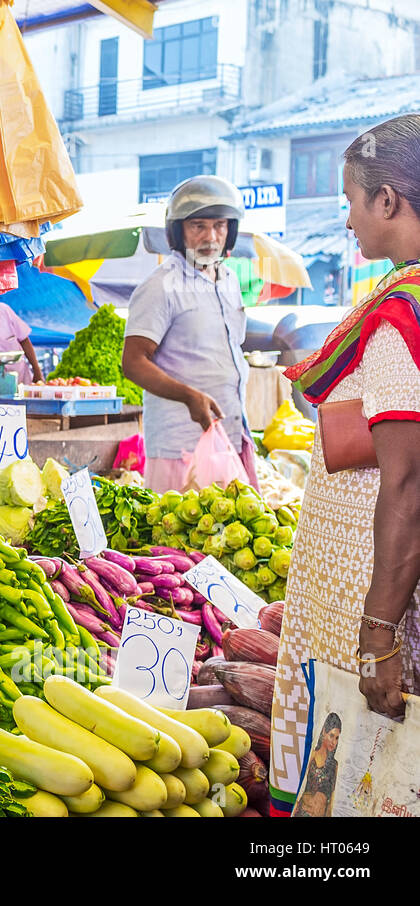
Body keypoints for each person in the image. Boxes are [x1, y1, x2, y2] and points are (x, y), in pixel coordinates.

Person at [270, 114, 420, 816]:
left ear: (387, 200)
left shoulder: (401, 314)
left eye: (353, 200)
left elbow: (408, 480)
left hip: (370, 597)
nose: (349, 219)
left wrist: (377, 640)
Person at [122, 175, 260, 493]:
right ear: (179, 230)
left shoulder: (228, 281)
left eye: (220, 225)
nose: (210, 236)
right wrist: (188, 396)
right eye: (198, 225)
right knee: (179, 539)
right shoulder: (160, 285)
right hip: (179, 447)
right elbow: (133, 362)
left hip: (230, 436)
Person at [291, 713, 341, 818]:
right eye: (331, 735)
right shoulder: (312, 755)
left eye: (337, 738)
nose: (333, 742)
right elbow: (300, 783)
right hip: (303, 812)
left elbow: (331, 800)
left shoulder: (334, 765)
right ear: (324, 732)